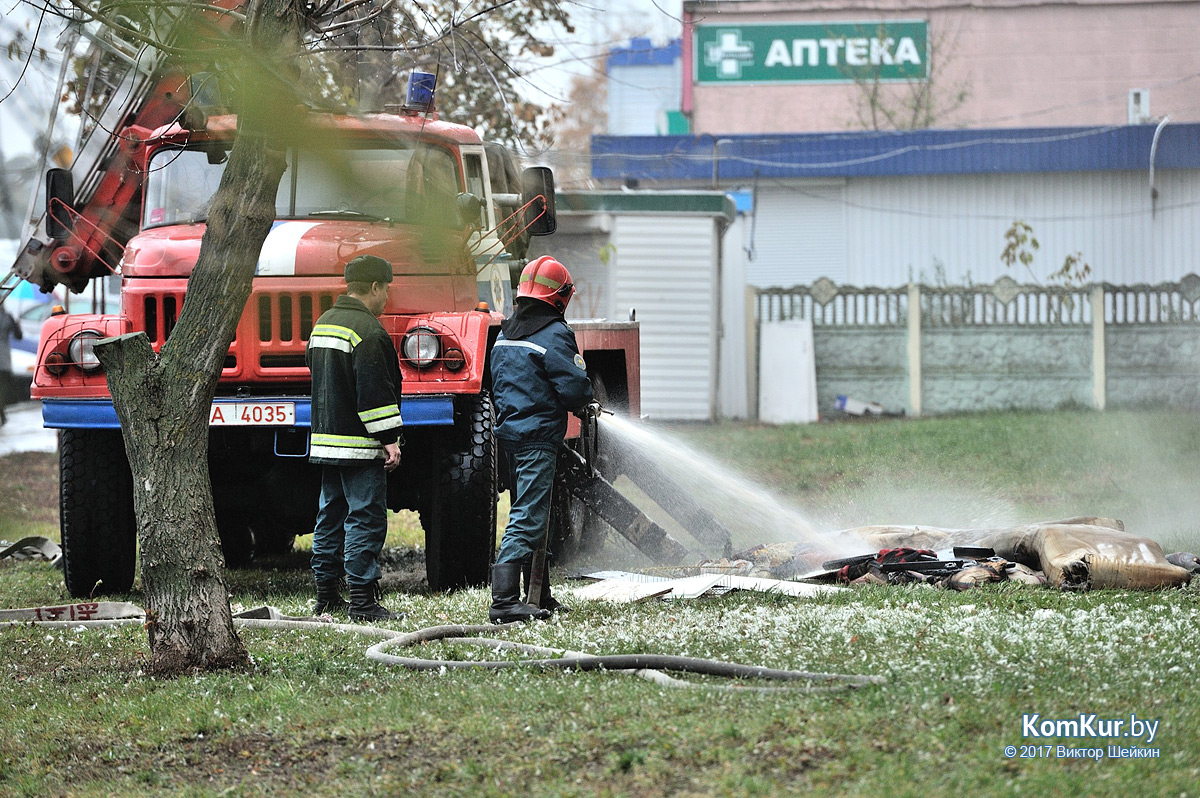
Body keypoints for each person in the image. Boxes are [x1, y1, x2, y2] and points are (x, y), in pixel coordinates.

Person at [489, 256, 595, 623]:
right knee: (530, 516)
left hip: (510, 439)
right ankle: (503, 599)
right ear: (560, 297)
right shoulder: (555, 334)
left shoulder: (504, 334)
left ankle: (540, 594)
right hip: (536, 442)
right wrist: (586, 401)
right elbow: (574, 387)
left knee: (535, 513)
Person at [306, 255, 405, 621]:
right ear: (376, 286)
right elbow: (374, 393)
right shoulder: (369, 331)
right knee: (365, 518)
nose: (386, 298)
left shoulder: (323, 325)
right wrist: (389, 439)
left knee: (329, 516)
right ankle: (363, 601)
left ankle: (326, 596)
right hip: (360, 447)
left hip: (326, 443)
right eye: (386, 289)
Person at [0, 307, 22, 426]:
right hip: (4, 359)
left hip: (3, 360)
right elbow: (18, 336)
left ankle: (2, 415)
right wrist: (17, 325)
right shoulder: (8, 317)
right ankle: (2, 415)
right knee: (2, 389)